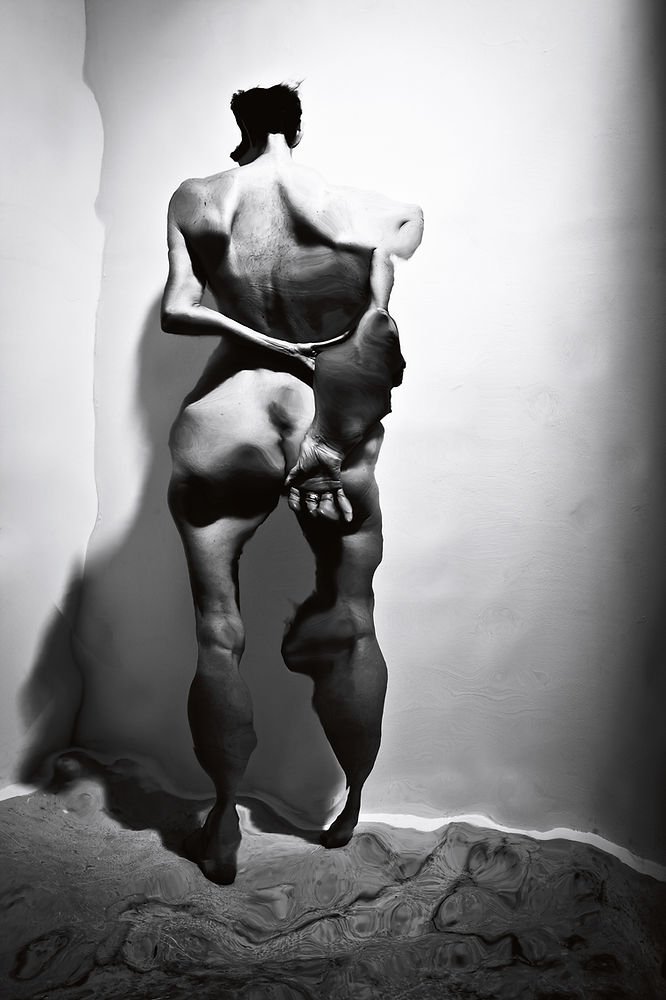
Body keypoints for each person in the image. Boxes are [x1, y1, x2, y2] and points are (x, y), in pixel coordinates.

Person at [162, 83, 423, 884]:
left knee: (216, 631)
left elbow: (178, 309)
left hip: (224, 413)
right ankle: (349, 806)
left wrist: (256, 337)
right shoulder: (368, 211)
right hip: (327, 416)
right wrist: (326, 440)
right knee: (352, 620)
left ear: (240, 130)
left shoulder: (197, 198)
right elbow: (379, 332)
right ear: (297, 129)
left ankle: (222, 824)